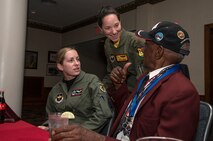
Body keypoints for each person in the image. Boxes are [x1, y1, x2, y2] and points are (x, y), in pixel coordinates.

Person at [50, 21, 200, 141]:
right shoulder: (145, 78)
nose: (142, 50)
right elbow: (130, 113)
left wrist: (96, 138)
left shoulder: (182, 92)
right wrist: (119, 86)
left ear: (159, 52)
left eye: (146, 45)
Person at [45, 47, 113, 132]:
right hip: (60, 134)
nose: (77, 63)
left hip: (84, 134)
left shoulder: (91, 81)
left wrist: (81, 131)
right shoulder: (55, 90)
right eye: (71, 60)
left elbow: (103, 114)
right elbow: (51, 116)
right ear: (60, 66)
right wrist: (46, 126)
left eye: (78, 59)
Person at [97, 6, 145, 91]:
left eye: (116, 25)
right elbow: (110, 73)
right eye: (108, 28)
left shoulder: (136, 41)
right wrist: (100, 89)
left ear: (120, 22)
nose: (114, 31)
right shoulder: (107, 45)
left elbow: (143, 73)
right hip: (122, 90)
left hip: (138, 90)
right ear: (101, 29)